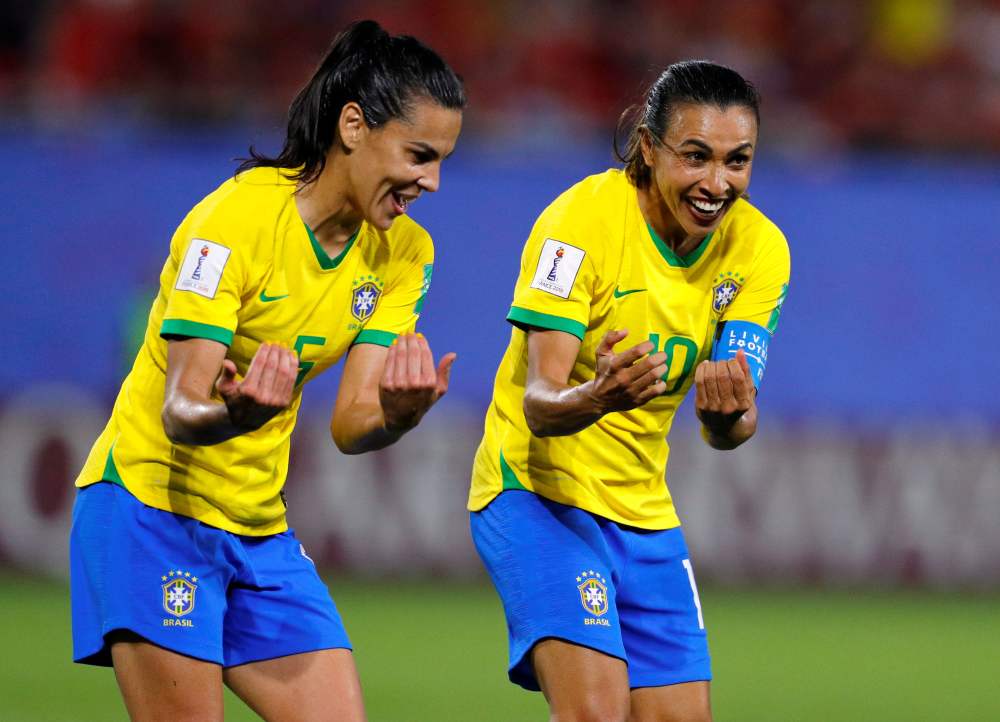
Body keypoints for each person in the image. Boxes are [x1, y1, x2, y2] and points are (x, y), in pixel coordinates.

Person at [70, 20, 465, 722]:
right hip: (152, 511)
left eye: (442, 162)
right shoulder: (232, 224)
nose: (431, 182)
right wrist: (236, 415)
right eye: (419, 155)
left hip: (258, 529)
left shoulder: (404, 254)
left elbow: (349, 426)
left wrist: (398, 416)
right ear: (353, 126)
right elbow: (181, 409)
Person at [469, 60, 790, 722]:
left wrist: (727, 414)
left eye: (738, 161)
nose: (717, 182)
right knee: (596, 712)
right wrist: (599, 397)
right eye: (696, 156)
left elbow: (730, 425)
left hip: (642, 512)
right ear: (649, 148)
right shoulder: (580, 224)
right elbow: (540, 402)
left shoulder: (760, 250)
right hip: (537, 495)